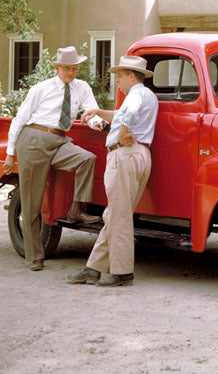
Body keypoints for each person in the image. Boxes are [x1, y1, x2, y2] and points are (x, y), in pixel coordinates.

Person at [2, 46, 101, 271]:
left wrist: (97, 123)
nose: (71, 73)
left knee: (87, 159)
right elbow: (20, 119)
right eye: (67, 69)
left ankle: (76, 209)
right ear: (57, 68)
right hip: (34, 139)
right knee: (32, 202)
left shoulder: (82, 87)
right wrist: (10, 153)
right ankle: (35, 256)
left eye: (75, 69)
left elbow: (91, 113)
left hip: (59, 139)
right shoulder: (41, 88)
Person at [66, 55, 157, 288]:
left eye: (120, 76)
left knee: (118, 216)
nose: (117, 81)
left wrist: (122, 134)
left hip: (124, 155)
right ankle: (93, 268)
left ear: (131, 76)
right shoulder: (149, 95)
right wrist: (99, 111)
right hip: (142, 155)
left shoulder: (134, 95)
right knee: (116, 214)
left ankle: (122, 272)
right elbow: (122, 115)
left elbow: (129, 114)